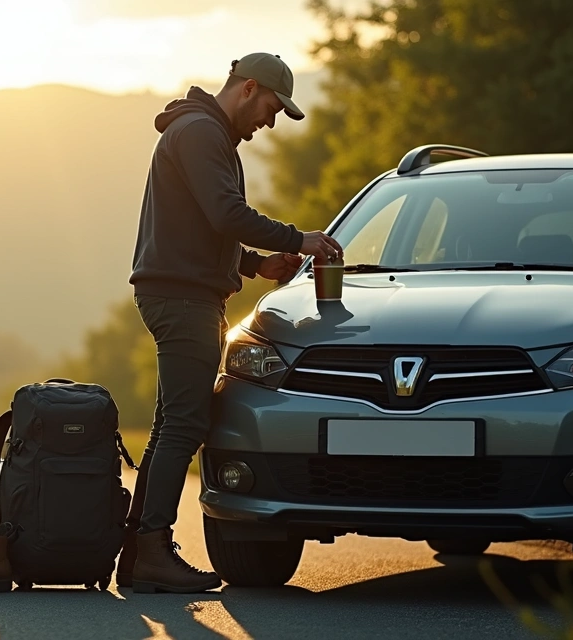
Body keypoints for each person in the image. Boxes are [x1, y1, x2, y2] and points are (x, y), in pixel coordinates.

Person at [119, 52, 343, 594]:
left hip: (181, 293)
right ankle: (150, 549)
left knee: (173, 422)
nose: (269, 121)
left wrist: (254, 264)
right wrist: (299, 239)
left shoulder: (201, 133)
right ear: (247, 89)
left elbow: (203, 225)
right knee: (186, 425)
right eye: (271, 107)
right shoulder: (201, 133)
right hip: (182, 300)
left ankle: (140, 549)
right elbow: (225, 212)